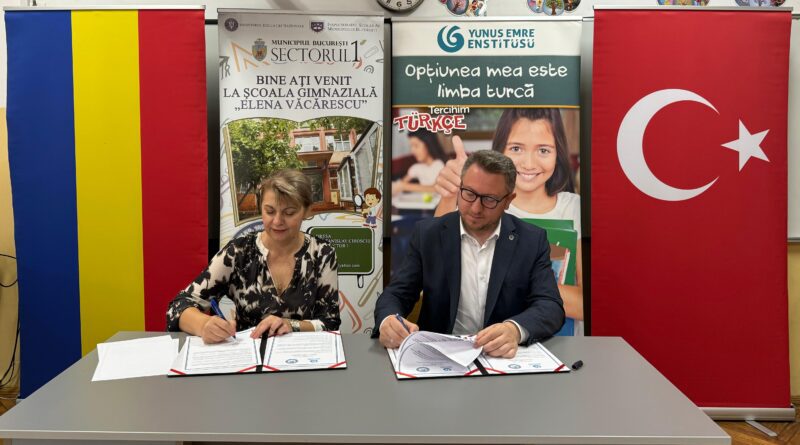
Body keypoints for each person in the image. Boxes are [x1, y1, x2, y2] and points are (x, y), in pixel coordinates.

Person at [375, 150, 564, 358]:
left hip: (501, 357)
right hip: (439, 356)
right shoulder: (428, 234)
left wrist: (514, 330)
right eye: (469, 193)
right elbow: (396, 294)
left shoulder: (532, 240)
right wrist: (388, 321)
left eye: (489, 199)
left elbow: (550, 306)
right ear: (460, 188)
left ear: (509, 200)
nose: (475, 208)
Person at [434, 109, 584, 329]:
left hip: (556, 344)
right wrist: (449, 197)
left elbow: (586, 305)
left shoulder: (574, 208)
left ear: (558, 153)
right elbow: (434, 277)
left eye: (543, 150)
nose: (529, 163)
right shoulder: (474, 203)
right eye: (516, 148)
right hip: (477, 340)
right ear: (499, 151)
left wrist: (511, 280)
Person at [166, 169, 340, 344]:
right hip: (246, 355)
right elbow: (178, 307)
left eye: (289, 213)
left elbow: (330, 322)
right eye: (270, 211)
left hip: (304, 354)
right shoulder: (238, 252)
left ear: (308, 211)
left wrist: (291, 325)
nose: (277, 221)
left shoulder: (322, 254)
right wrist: (204, 325)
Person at [392, 129, 447, 196]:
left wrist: (404, 186)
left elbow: (435, 189)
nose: (412, 151)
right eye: (411, 146)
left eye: (416, 146)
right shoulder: (416, 168)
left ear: (428, 144)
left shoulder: (439, 164)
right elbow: (399, 185)